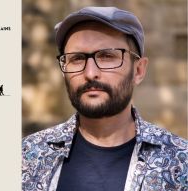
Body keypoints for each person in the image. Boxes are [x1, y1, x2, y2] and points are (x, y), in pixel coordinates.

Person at [22, 7, 187, 191]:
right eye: (77, 58)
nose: (90, 73)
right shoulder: (28, 155)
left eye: (107, 56)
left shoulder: (179, 163)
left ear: (138, 70)